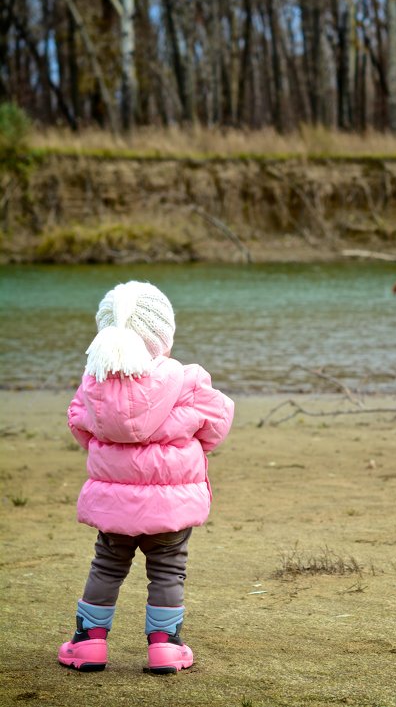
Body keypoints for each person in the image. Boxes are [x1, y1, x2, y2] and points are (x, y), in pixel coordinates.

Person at [57, 280, 234, 674]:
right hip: (170, 505)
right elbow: (218, 423)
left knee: (106, 564)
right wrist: (189, 442)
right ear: (163, 337)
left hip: (115, 504)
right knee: (169, 568)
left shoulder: (95, 383)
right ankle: (165, 647)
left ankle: (88, 644)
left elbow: (78, 425)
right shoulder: (186, 380)